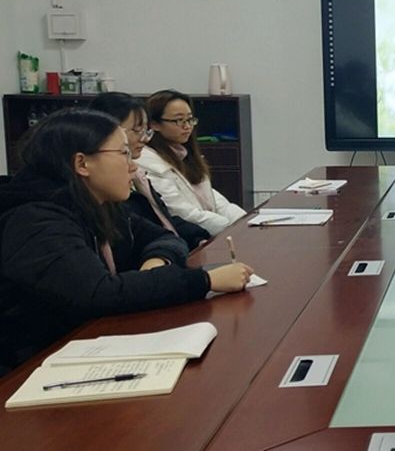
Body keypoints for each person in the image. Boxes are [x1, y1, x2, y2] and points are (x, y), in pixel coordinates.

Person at [0, 109, 252, 373]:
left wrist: (157, 261)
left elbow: (164, 237)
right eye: (123, 154)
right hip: (31, 366)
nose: (133, 165)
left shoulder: (100, 204)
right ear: (82, 164)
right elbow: (98, 294)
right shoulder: (36, 220)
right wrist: (205, 280)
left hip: (88, 343)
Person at [90, 92, 210, 249]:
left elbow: (162, 218)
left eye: (145, 130)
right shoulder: (108, 188)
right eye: (137, 130)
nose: (145, 138)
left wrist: (197, 238)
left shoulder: (139, 177)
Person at [138, 90, 245, 236]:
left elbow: (213, 200)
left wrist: (243, 220)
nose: (187, 126)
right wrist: (230, 228)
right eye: (179, 120)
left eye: (190, 119)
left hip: (213, 229)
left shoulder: (183, 154)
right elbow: (181, 212)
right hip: (191, 236)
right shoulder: (149, 163)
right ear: (155, 124)